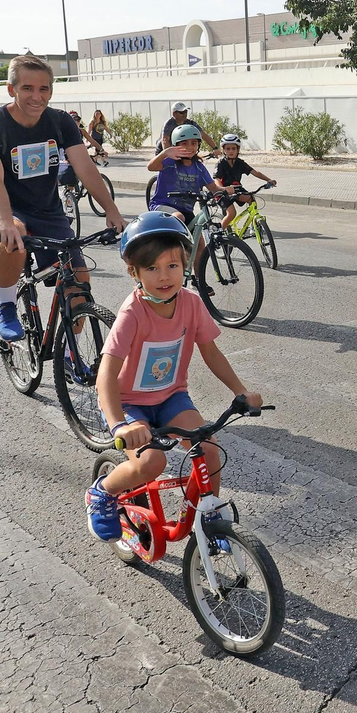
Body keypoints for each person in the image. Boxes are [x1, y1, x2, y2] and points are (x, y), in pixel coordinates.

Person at [85, 213, 261, 542]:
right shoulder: (132, 313)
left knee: (208, 448)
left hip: (171, 398)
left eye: (172, 266)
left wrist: (241, 391)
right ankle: (102, 493)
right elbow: (106, 374)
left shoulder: (192, 304)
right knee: (152, 462)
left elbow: (211, 353)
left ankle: (209, 516)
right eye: (152, 268)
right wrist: (119, 425)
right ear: (134, 272)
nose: (164, 276)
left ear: (185, 265)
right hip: (130, 405)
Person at [0, 55, 126, 341]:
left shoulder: (60, 122)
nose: (36, 96)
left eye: (44, 89)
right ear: (11, 89)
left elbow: (85, 168)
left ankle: (69, 354)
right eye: (27, 88)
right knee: (13, 235)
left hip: (47, 210)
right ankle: (5, 306)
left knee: (79, 282)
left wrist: (112, 210)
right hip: (1, 208)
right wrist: (4, 221)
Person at [210, 133, 276, 221]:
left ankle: (254, 224)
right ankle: (220, 232)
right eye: (228, 148)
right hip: (222, 193)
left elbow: (255, 172)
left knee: (251, 199)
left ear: (238, 149)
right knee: (232, 214)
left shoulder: (240, 163)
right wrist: (223, 189)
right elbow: (217, 179)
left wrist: (269, 180)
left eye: (233, 148)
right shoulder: (220, 164)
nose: (231, 151)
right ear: (224, 150)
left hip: (236, 189)